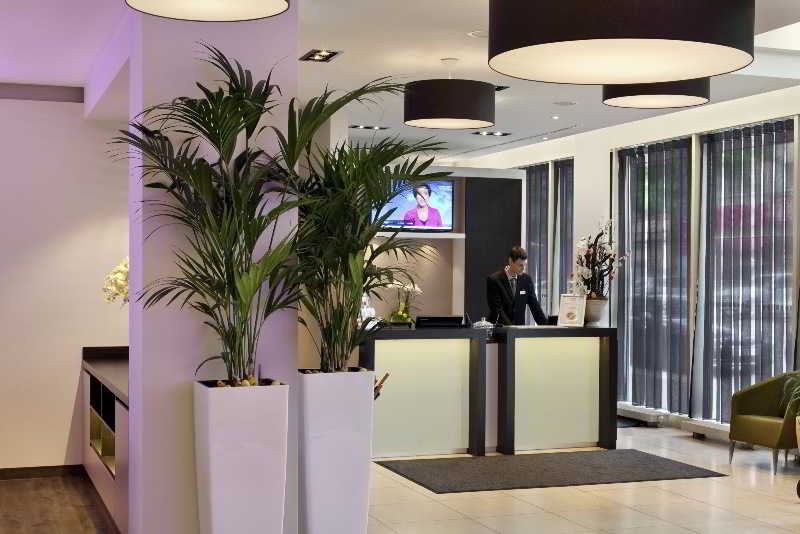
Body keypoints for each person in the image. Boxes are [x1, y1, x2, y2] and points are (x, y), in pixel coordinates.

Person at [486, 246, 548, 326]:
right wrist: (512, 329)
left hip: (519, 331)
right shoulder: (494, 280)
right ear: (511, 261)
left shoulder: (526, 280)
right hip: (500, 330)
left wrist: (548, 327)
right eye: (520, 265)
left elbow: (535, 307)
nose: (523, 268)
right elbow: (497, 310)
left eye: (525, 265)